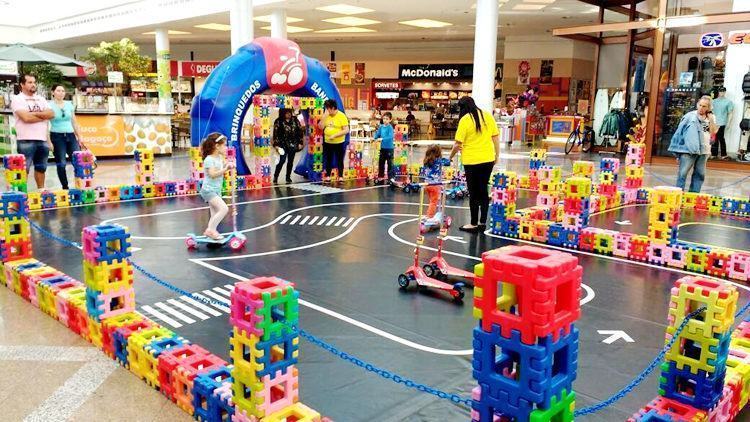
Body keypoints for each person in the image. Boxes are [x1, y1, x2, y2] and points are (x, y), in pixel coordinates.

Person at [449, 96, 499, 233]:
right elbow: (495, 137)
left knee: (473, 192)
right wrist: (497, 156)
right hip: (488, 158)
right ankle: (483, 222)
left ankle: (473, 223)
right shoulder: (488, 116)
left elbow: (457, 144)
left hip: (471, 161)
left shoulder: (465, 120)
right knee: (483, 191)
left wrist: (450, 157)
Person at [10, 74, 55, 189]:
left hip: (42, 139)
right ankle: (20, 195)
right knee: (23, 169)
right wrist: (42, 115)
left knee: (41, 168)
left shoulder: (41, 99)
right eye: (30, 82)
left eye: (34, 82)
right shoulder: (17, 99)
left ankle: (41, 191)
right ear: (22, 84)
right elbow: (26, 118)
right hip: (25, 140)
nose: (33, 84)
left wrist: (33, 114)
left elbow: (51, 114)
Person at [668, 95, 717, 193]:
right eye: (700, 105)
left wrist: (711, 119)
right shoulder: (689, 116)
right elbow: (680, 132)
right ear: (697, 104)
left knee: (700, 174)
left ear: (708, 107)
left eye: (704, 106)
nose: (701, 108)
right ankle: (679, 194)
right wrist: (677, 151)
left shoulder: (712, 117)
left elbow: (713, 133)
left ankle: (694, 195)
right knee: (683, 173)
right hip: (688, 149)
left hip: (704, 150)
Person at [199, 133, 234, 240]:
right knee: (224, 209)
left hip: (216, 190)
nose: (226, 147)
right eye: (224, 145)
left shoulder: (219, 157)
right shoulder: (209, 159)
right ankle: (210, 230)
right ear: (217, 146)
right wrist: (225, 169)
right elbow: (213, 174)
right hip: (208, 190)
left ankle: (211, 230)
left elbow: (223, 165)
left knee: (214, 213)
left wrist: (229, 165)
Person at [49, 84, 81, 190]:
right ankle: (65, 186)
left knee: (78, 161)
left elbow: (74, 122)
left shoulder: (69, 104)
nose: (61, 93)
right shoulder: (49, 106)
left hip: (70, 135)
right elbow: (45, 124)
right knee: (61, 163)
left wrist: (79, 136)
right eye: (58, 90)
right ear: (53, 92)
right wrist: (48, 141)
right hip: (57, 136)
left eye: (63, 91)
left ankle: (80, 184)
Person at [319, 99, 349, 179]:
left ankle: (340, 176)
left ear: (332, 108)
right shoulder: (326, 115)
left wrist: (335, 135)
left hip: (338, 142)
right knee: (328, 159)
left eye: (328, 108)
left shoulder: (341, 116)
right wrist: (324, 117)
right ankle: (328, 175)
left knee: (339, 159)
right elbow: (321, 127)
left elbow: (346, 130)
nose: (327, 110)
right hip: (327, 142)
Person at [272, 108, 303, 184]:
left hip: (293, 143)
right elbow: (275, 134)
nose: (289, 114)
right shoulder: (278, 121)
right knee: (282, 160)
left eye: (290, 112)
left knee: (290, 161)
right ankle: (276, 176)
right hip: (282, 144)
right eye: (287, 113)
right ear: (283, 113)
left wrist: (300, 143)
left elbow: (300, 131)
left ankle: (288, 177)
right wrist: (276, 145)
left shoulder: (295, 120)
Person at [710, 87, 733, 160]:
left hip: (722, 122)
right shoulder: (713, 101)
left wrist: (729, 123)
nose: (722, 93)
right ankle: (714, 154)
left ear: (725, 92)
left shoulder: (728, 102)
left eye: (723, 91)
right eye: (720, 91)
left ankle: (723, 154)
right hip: (713, 122)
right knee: (714, 138)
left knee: (721, 138)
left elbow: (730, 113)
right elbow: (710, 112)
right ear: (718, 92)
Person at [423, 144, 444, 219]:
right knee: (434, 202)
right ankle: (429, 216)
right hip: (435, 185)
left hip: (427, 184)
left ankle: (430, 214)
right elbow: (447, 162)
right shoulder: (438, 161)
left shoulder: (426, 160)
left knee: (431, 201)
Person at [374, 112, 395, 183]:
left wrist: (382, 139)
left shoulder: (390, 127)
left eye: (387, 119)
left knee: (390, 163)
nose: (385, 120)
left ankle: (391, 177)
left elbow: (390, 136)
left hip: (389, 149)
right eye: (384, 118)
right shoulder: (381, 127)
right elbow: (377, 134)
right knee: (381, 162)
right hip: (382, 148)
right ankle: (380, 176)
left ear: (390, 120)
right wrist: (374, 138)